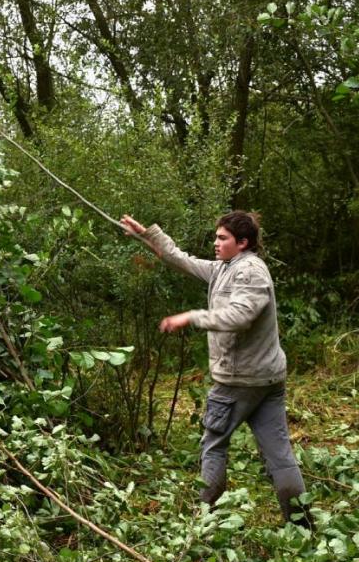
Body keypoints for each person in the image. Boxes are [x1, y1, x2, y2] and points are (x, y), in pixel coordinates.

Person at [119, 211, 313, 529]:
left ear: (243, 242)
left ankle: (203, 526)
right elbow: (183, 260)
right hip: (264, 378)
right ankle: (302, 529)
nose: (216, 243)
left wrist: (192, 317)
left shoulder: (250, 272)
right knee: (279, 455)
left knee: (213, 446)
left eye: (223, 238)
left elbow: (240, 316)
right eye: (217, 237)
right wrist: (147, 235)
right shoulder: (225, 267)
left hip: (241, 380)